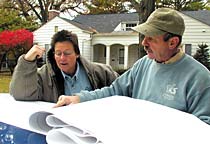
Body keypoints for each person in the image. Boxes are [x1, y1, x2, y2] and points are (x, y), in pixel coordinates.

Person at [53, 8, 210, 125]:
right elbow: (114, 91)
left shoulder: (199, 78)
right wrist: (79, 98)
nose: (144, 43)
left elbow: (204, 127)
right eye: (144, 37)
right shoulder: (143, 64)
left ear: (172, 42)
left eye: (151, 38)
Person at [10, 30, 118, 103]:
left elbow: (124, 89)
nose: (62, 58)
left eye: (67, 53)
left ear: (77, 54)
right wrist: (27, 61)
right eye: (58, 53)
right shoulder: (43, 76)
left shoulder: (101, 72)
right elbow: (20, 94)